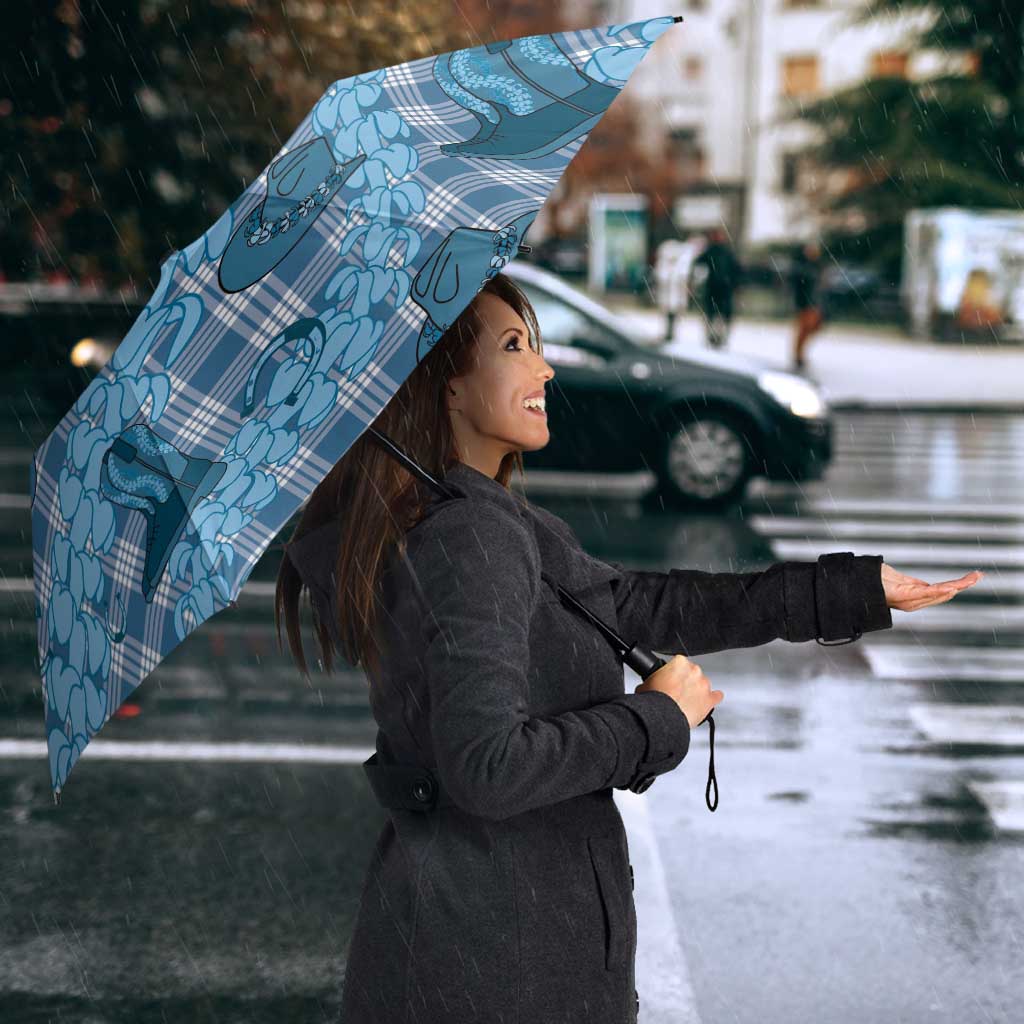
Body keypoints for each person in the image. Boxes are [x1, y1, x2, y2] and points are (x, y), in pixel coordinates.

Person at [276, 273, 981, 1024]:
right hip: (496, 962)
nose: (544, 368)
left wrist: (850, 591)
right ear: (445, 387)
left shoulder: (480, 520)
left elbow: (643, 605)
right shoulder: (469, 537)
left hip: (479, 944)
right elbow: (487, 767)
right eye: (514, 347)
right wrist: (654, 718)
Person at [692, 226, 742, 349]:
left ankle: (719, 337)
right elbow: (698, 264)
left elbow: (736, 270)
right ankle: (713, 337)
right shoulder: (712, 251)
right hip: (715, 288)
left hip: (723, 288)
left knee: (720, 315)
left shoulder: (725, 252)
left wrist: (735, 284)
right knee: (713, 314)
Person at [790, 239, 826, 370]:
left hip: (814, 303)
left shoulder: (817, 266)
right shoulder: (802, 267)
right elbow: (799, 286)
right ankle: (798, 355)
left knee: (812, 328)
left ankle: (799, 354)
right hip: (805, 303)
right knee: (804, 329)